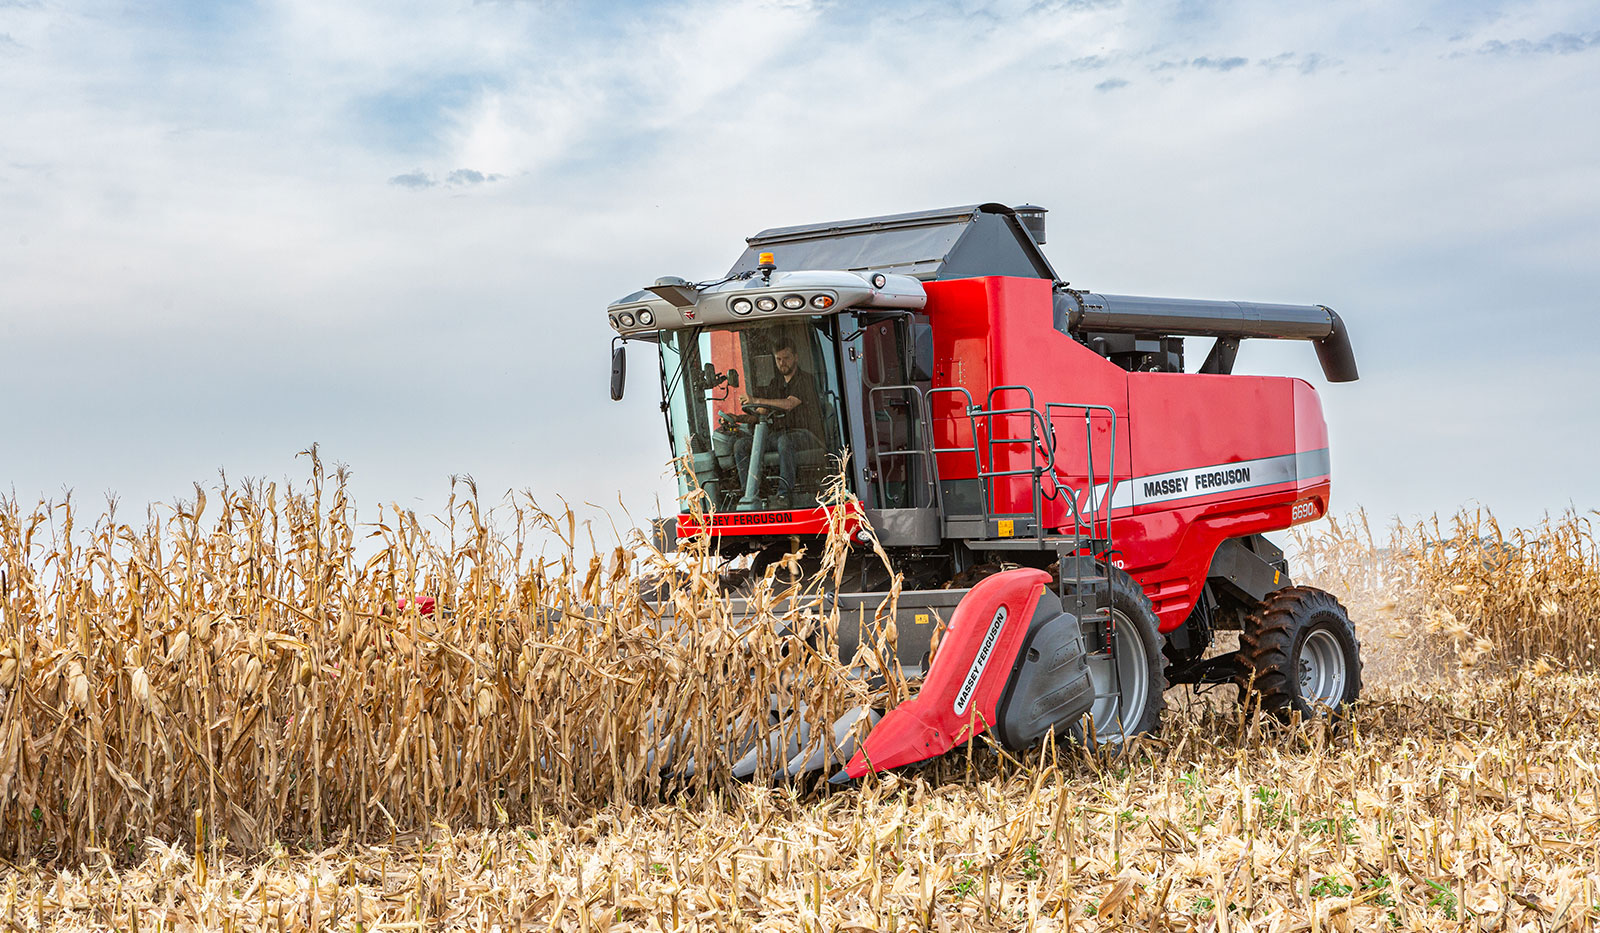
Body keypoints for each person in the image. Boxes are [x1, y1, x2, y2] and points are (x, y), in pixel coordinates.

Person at [725, 337, 823, 507]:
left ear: (796, 357)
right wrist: (737, 419)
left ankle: (784, 495)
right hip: (776, 435)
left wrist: (755, 398)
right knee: (740, 445)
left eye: (786, 358)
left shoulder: (806, 380)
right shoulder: (775, 383)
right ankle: (755, 494)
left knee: (785, 442)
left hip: (804, 434)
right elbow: (761, 413)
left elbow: (788, 404)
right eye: (778, 359)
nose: (782, 363)